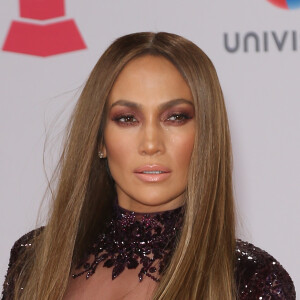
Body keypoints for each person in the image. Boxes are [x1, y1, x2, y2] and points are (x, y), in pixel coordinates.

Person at [1, 32, 296, 300]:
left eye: (175, 117)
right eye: (127, 118)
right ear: (100, 139)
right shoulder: (35, 258)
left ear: (206, 135)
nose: (151, 143)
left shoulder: (254, 281)